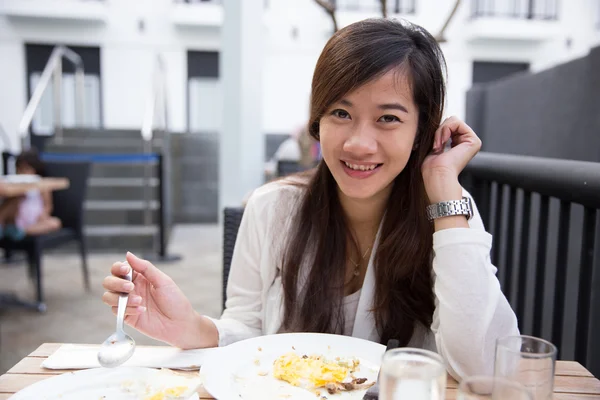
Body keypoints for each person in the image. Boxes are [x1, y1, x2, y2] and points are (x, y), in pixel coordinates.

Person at [102, 18, 519, 380]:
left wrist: (444, 181)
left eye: (388, 118)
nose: (358, 143)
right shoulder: (271, 208)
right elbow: (246, 331)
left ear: (422, 131)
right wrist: (187, 327)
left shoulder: (447, 212)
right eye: (341, 113)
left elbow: (481, 367)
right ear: (317, 120)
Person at [0, 149, 61, 240]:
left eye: (26, 169)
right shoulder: (13, 184)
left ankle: (22, 231)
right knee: (11, 202)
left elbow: (47, 205)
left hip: (34, 220)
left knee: (55, 223)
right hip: (15, 218)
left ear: (34, 169)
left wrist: (43, 214)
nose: (22, 172)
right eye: (20, 169)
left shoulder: (41, 184)